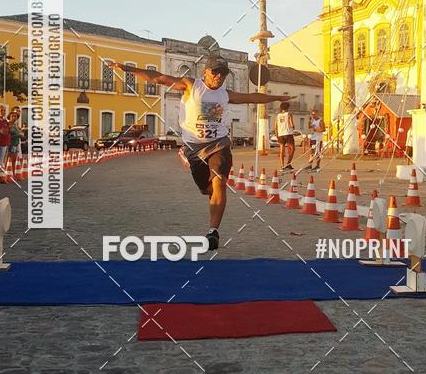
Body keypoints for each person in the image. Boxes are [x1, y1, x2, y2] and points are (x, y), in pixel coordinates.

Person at [110, 56, 294, 250]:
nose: (219, 76)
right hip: (194, 148)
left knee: (219, 182)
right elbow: (158, 78)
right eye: (215, 72)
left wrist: (276, 98)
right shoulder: (191, 86)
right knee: (206, 189)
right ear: (205, 72)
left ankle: (213, 232)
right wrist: (126, 68)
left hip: (218, 144)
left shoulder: (225, 94)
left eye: (223, 73)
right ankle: (197, 175)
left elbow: (252, 97)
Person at [274, 101, 295, 171]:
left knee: (282, 150)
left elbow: (275, 127)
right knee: (292, 149)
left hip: (280, 134)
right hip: (288, 133)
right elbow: (292, 124)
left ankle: (282, 166)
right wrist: (293, 127)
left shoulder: (278, 116)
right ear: (287, 108)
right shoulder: (289, 114)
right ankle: (288, 163)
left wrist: (277, 135)